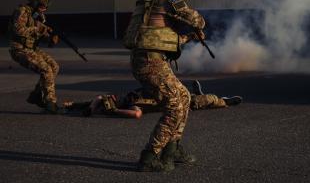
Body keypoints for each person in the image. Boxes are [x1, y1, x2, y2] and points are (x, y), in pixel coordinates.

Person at [123, 0, 206, 172]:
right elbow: (197, 20)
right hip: (152, 62)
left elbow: (159, 36)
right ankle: (149, 156)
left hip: (146, 59)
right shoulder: (172, 0)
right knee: (174, 105)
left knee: (185, 96)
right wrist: (197, 27)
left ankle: (172, 148)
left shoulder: (151, 2)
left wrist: (187, 36)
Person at [62, 80, 243, 117]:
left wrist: (72, 106)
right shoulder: (130, 106)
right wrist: (116, 110)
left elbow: (97, 99)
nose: (112, 97)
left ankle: (197, 92)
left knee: (181, 90)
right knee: (200, 101)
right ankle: (225, 101)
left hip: (156, 91)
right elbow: (137, 115)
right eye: (112, 100)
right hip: (164, 102)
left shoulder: (111, 100)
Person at [8, 0, 60, 113]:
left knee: (54, 66)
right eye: (42, 6)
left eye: (46, 7)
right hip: (19, 48)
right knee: (46, 69)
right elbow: (18, 30)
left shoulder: (38, 16)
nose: (44, 9)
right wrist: (39, 29)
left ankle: (37, 95)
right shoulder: (22, 11)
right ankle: (50, 102)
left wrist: (50, 39)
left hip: (32, 48)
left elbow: (40, 36)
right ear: (34, 2)